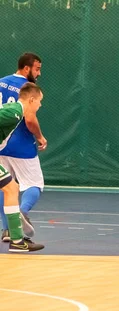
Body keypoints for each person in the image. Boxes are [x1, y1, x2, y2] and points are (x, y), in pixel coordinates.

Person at [0, 52, 46, 242]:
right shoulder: (28, 91)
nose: (39, 73)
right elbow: (29, 119)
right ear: (26, 68)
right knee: (35, 183)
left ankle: (8, 231)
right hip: (21, 145)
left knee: (7, 187)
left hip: (2, 146)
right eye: (37, 69)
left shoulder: (1, 82)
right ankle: (22, 211)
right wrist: (40, 137)